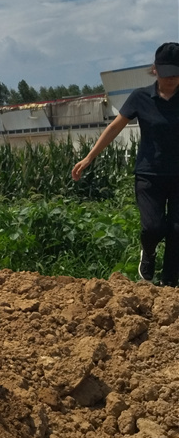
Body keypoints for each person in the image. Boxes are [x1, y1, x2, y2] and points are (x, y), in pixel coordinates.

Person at [71, 42, 179, 286]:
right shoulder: (141, 97)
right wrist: (89, 157)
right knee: (152, 228)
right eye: (166, 73)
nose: (171, 78)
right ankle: (148, 253)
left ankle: (170, 284)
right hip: (149, 175)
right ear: (155, 69)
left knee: (177, 230)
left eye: (176, 73)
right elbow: (114, 127)